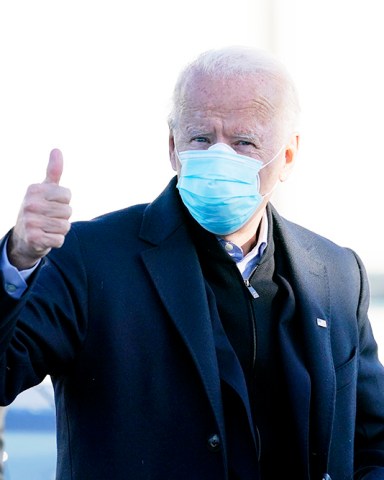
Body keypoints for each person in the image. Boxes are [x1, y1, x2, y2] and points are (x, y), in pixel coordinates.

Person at [0, 46, 383, 480]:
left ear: (288, 156)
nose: (220, 157)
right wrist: (18, 260)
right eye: (201, 138)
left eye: (244, 142)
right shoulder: (89, 258)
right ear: (172, 146)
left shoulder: (336, 275)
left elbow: (372, 442)